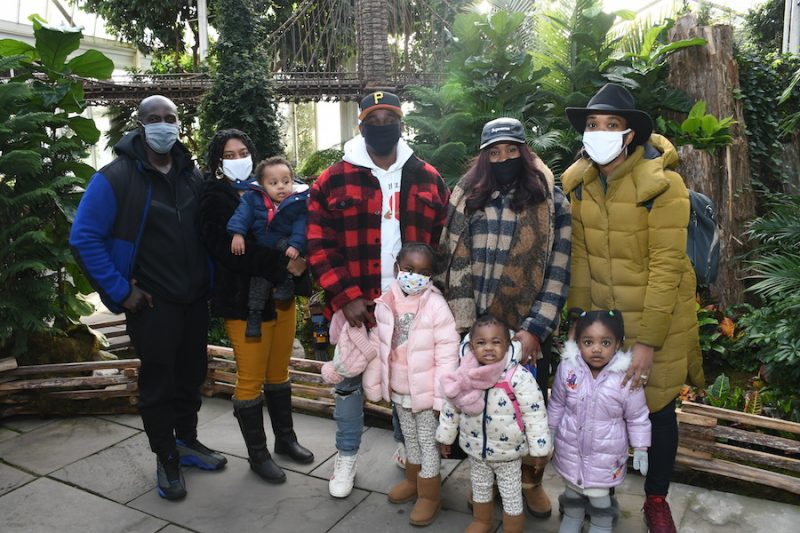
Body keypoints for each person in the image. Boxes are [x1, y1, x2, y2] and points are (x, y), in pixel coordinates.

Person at [561, 83, 704, 533]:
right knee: (595, 409)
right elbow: (580, 259)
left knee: (657, 409)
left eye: (610, 125)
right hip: (604, 322)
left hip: (656, 316)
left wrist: (647, 343)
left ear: (630, 135)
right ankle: (590, 490)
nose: (599, 132)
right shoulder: (580, 186)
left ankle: (656, 498)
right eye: (592, 125)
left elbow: (668, 267)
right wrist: (577, 322)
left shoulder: (663, 186)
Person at [70, 95, 225, 501]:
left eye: (169, 118)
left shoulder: (191, 175)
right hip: (152, 304)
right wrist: (123, 291)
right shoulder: (116, 178)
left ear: (179, 124)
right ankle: (166, 456)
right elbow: (84, 237)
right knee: (159, 383)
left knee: (191, 376)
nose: (163, 125)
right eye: (153, 119)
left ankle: (187, 442)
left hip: (194, 300)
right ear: (140, 125)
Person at [307, 91, 450, 499]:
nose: (382, 124)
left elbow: (444, 244)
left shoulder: (428, 177)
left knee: (406, 382)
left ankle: (408, 455)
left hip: (412, 306)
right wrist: (344, 296)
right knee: (349, 383)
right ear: (361, 125)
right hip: (357, 304)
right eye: (375, 117)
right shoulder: (333, 179)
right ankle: (347, 456)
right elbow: (319, 243)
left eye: (390, 117)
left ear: (401, 124)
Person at [438, 117, 571, 518]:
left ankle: (530, 482)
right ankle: (489, 484)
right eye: (494, 152)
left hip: (525, 328)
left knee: (527, 410)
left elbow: (559, 271)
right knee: (481, 409)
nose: (504, 158)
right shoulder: (466, 196)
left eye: (513, 150)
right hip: (476, 332)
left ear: (525, 152)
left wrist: (535, 329)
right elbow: (447, 261)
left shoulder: (551, 201)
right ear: (483, 157)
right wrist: (462, 329)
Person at [199, 129, 314, 485]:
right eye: (229, 154)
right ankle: (258, 454)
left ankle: (285, 439)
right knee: (250, 379)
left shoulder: (271, 187)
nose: (237, 159)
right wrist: (286, 264)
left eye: (243, 152)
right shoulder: (213, 197)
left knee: (279, 371)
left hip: (281, 298)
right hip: (242, 303)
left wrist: (301, 258)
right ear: (217, 161)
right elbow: (229, 252)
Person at [321, 242, 459, 525]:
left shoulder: (436, 306)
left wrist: (440, 399)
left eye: (423, 272)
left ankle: (430, 493)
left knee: (427, 443)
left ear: (431, 276)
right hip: (399, 389)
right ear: (397, 268)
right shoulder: (386, 301)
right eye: (409, 269)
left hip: (427, 392)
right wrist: (375, 385)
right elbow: (379, 347)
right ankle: (413, 480)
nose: (414, 276)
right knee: (409, 439)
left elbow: (448, 356)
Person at [436, 314, 551, 533]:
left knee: (511, 493)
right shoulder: (465, 375)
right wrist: (446, 437)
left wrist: (539, 450)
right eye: (481, 343)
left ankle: (513, 528)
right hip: (476, 449)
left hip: (509, 453)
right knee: (479, 487)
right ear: (471, 346)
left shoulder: (518, 377)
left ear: (507, 345)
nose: (488, 348)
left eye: (496, 342)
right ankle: (482, 521)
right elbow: (451, 407)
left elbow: (536, 416)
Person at [549, 310, 651, 533]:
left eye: (605, 342)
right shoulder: (568, 369)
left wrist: (641, 447)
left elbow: (637, 416)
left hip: (606, 453)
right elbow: (557, 403)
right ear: (578, 342)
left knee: (599, 494)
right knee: (572, 488)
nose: (596, 349)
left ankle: (601, 523)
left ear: (617, 344)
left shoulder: (625, 377)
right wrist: (551, 430)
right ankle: (572, 517)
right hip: (570, 448)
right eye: (588, 342)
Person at [227, 156, 309, 337]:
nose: (281, 186)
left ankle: (286, 283)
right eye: (274, 183)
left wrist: (296, 245)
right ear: (263, 185)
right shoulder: (252, 198)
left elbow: (302, 226)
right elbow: (242, 215)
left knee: (286, 250)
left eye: (286, 181)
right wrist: (237, 233)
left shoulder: (298, 202)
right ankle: (254, 314)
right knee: (259, 279)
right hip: (264, 245)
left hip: (286, 244)